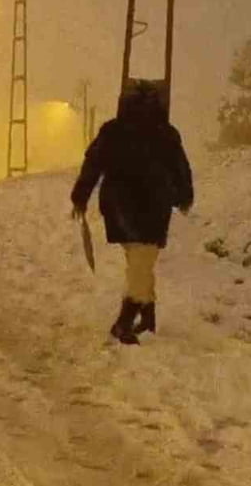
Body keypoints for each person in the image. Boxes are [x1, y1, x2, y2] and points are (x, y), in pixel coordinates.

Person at [70, 79, 194, 345]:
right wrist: (185, 195)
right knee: (141, 262)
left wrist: (81, 196)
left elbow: (93, 163)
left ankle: (147, 318)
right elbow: (180, 167)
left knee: (139, 262)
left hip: (120, 208)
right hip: (152, 209)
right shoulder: (166, 133)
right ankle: (124, 323)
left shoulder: (114, 130)